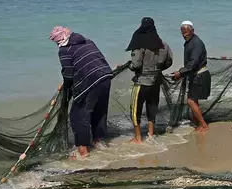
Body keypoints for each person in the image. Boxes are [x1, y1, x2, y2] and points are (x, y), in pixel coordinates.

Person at [50, 26, 113, 158]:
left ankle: (83, 151)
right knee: (99, 110)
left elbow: (68, 74)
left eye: (56, 42)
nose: (57, 45)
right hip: (106, 76)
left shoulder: (64, 50)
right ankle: (98, 142)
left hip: (90, 80)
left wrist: (66, 87)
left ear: (60, 40)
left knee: (78, 115)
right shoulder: (87, 41)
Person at [126, 17, 173, 144]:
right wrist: (158, 69)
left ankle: (138, 138)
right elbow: (169, 61)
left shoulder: (140, 44)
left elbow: (135, 65)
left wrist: (128, 66)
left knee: (135, 110)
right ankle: (151, 134)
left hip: (142, 81)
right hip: (157, 81)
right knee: (152, 107)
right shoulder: (164, 44)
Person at [171, 21, 211, 132]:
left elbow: (193, 63)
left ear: (193, 31)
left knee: (191, 101)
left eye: (187, 32)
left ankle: (204, 125)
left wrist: (181, 73)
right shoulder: (190, 41)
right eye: (183, 33)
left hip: (200, 75)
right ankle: (198, 122)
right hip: (196, 75)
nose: (184, 35)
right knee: (194, 100)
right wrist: (181, 71)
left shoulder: (196, 43)